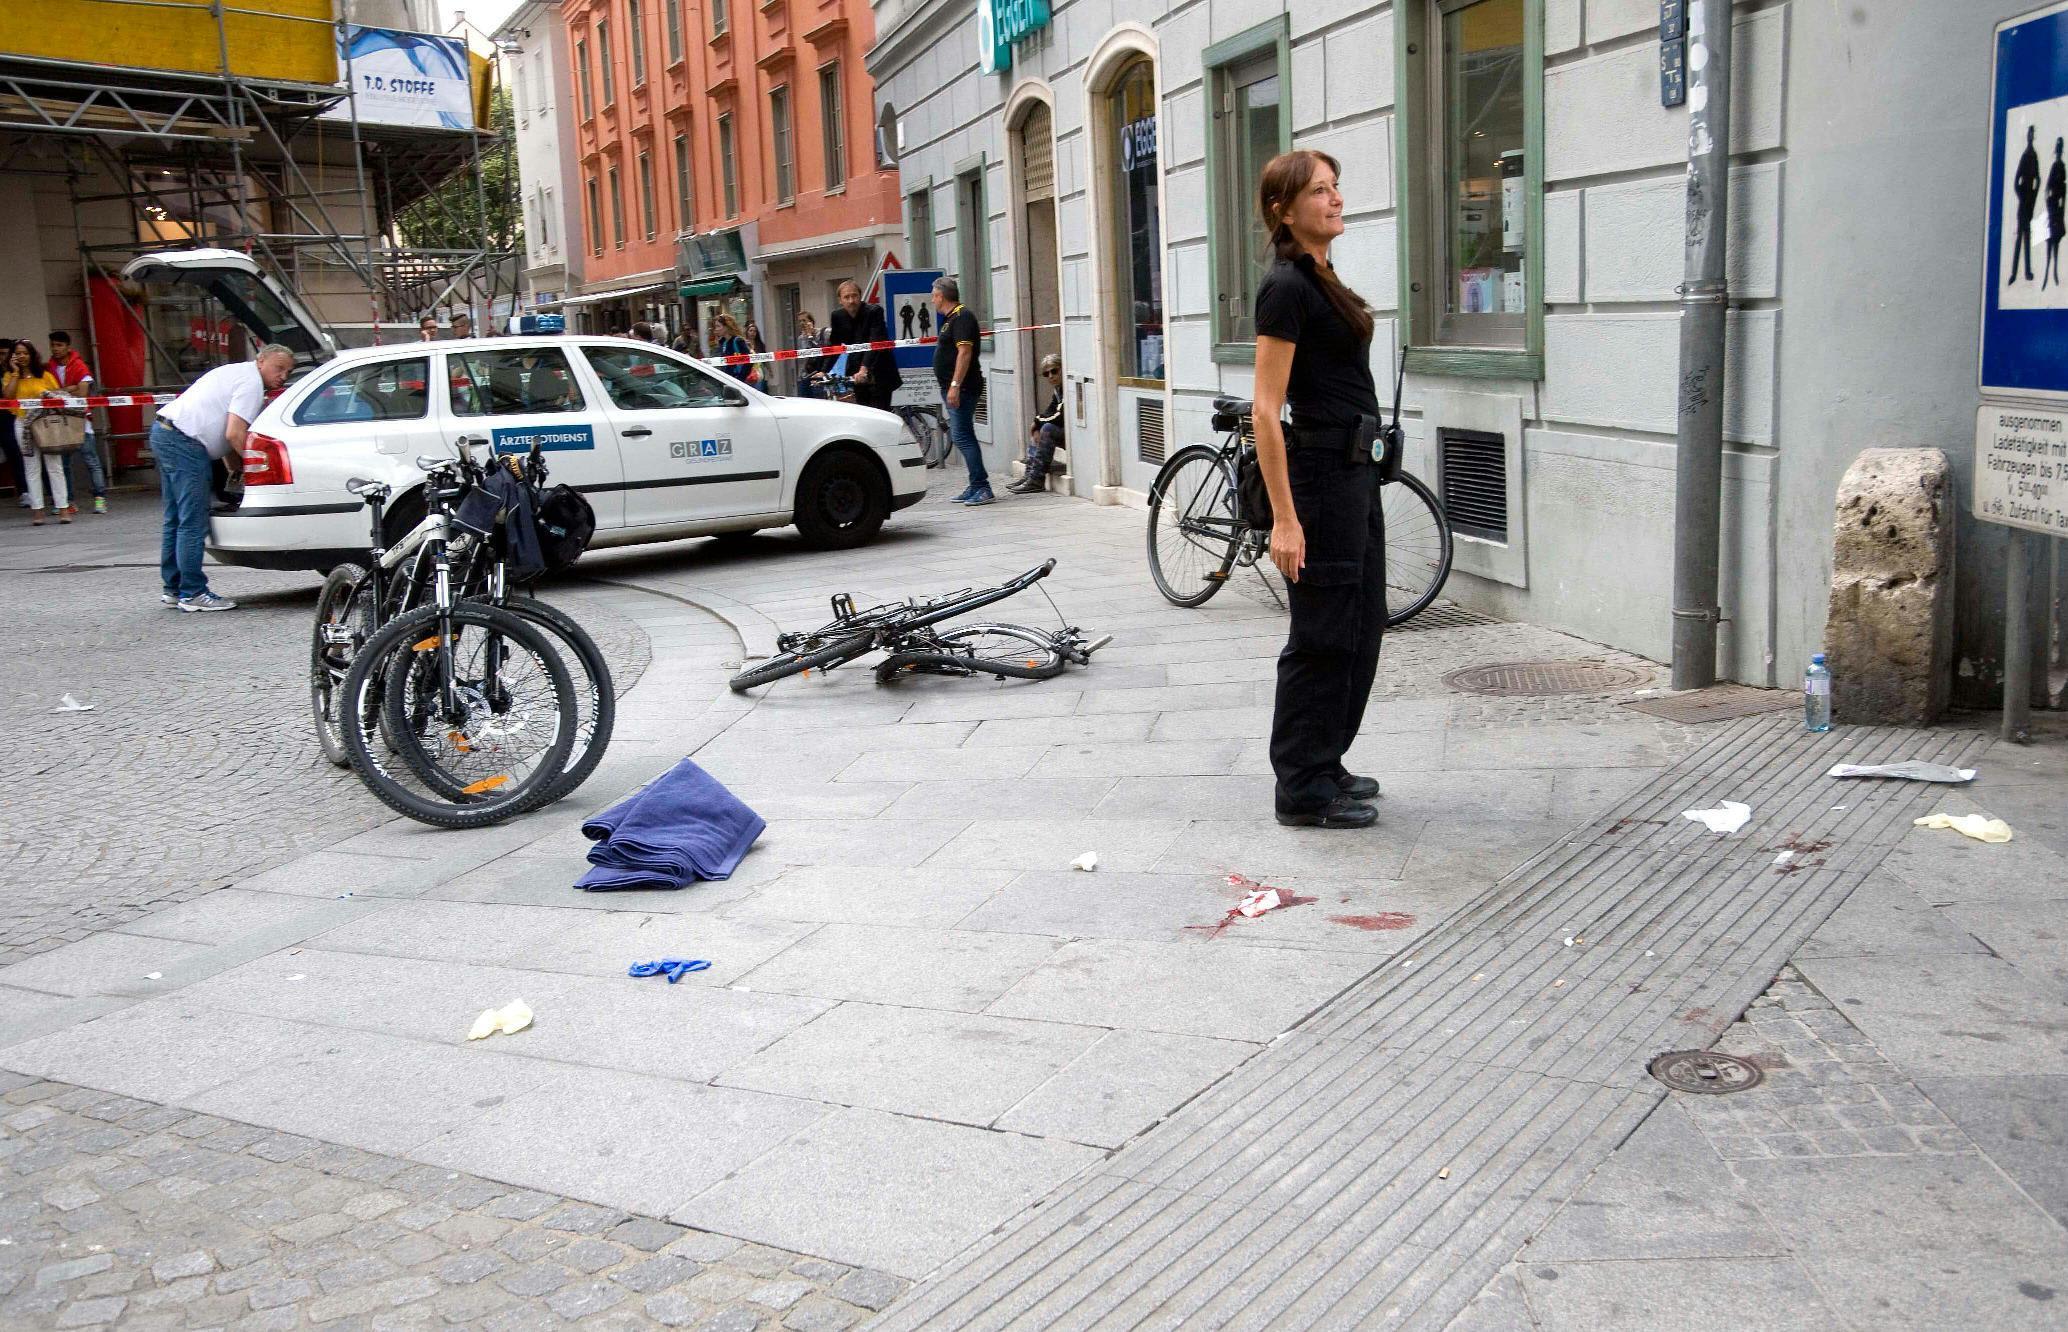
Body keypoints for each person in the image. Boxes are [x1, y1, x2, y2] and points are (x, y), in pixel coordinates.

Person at [1251, 149, 1388, 829]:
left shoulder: (1321, 277)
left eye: (1336, 188)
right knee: (1323, 634)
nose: (1335, 199)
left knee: (1361, 625)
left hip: (1356, 475)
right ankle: (1301, 788)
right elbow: (1265, 410)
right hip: (1322, 480)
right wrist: (1285, 518)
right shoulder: (1286, 287)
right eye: (1319, 191)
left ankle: (1325, 759)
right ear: (1283, 210)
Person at [151, 343, 295, 612]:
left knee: (176, 518)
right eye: (279, 368)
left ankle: (174, 588)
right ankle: (193, 592)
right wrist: (256, 466)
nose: (283, 376)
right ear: (261, 361)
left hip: (165, 432)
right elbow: (235, 434)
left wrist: (235, 468)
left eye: (288, 371)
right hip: (186, 444)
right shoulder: (251, 384)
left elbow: (226, 436)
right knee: (193, 520)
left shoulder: (236, 372)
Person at [931, 276, 990, 505]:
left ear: (941, 296)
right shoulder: (952, 318)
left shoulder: (962, 317)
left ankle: (982, 486)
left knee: (962, 436)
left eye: (934, 295)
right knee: (963, 435)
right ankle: (976, 484)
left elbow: (964, 353)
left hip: (963, 387)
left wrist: (955, 386)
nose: (932, 300)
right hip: (954, 387)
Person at [5, 339, 66, 525]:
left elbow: (58, 397)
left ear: (32, 355)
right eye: (18, 353)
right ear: (12, 357)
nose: (22, 356)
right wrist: (15, 373)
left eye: (25, 353)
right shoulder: (10, 375)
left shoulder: (44, 375)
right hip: (23, 423)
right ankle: (38, 511)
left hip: (46, 423)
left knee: (54, 465)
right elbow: (8, 396)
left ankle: (63, 508)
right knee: (31, 467)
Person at [47, 331, 108, 514]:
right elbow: (47, 392)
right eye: (53, 345)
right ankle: (68, 502)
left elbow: (83, 393)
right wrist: (71, 388)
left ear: (68, 347)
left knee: (91, 461)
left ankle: (100, 499)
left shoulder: (79, 366)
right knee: (64, 463)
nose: (55, 349)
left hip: (81, 421)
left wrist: (61, 391)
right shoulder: (49, 367)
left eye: (59, 345)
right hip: (60, 422)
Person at [828, 279, 901, 412]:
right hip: (857, 376)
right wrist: (823, 370)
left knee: (880, 415)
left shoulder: (874, 312)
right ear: (840, 300)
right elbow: (834, 346)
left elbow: (875, 341)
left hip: (879, 372)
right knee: (863, 414)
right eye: (846, 297)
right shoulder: (837, 316)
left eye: (854, 296)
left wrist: (864, 369)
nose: (851, 300)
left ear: (860, 296)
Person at [1008, 353, 1065, 494]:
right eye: (1046, 374)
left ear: (1062, 369)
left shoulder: (1066, 388)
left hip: (1074, 434)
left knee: (1047, 428)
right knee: (1039, 430)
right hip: (1065, 432)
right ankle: (1030, 475)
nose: (1051, 376)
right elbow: (1050, 410)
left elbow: (1059, 415)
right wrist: (1036, 425)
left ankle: (1037, 479)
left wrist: (1037, 422)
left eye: (1054, 371)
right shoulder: (1057, 389)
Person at [2013, 126, 2041, 286]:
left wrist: (2033, 197)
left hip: (2029, 202)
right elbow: (2016, 182)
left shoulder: (2034, 156)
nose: (2031, 137)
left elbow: (2038, 179)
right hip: (2024, 202)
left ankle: (2027, 271)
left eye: (2032, 135)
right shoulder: (2025, 156)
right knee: (2020, 237)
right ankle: (2014, 272)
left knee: (2027, 236)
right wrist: (2022, 198)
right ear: (2027, 136)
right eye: (2029, 134)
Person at [2046, 139, 2065, 291]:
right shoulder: (2054, 167)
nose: (2058, 152)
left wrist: (2062, 209)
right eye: (2057, 150)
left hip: (2058, 209)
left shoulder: (2063, 167)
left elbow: (2064, 191)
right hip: (2052, 207)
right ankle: (2047, 270)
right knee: (2049, 239)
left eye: (2060, 150)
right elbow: (2047, 188)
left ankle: (2055, 271)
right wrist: (2049, 204)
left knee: (2056, 239)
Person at [795, 312, 824, 397]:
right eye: (800, 321)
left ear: (811, 322)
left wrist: (810, 336)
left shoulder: (820, 334)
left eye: (804, 320)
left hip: (816, 375)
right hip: (803, 375)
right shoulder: (800, 338)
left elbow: (819, 352)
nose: (802, 323)